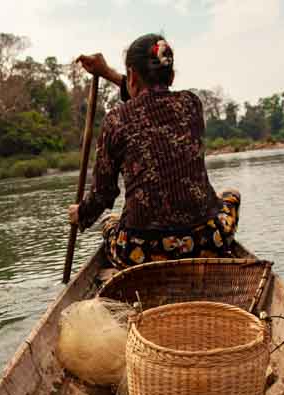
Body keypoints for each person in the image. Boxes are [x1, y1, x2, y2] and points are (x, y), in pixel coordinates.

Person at [69, 34, 240, 269]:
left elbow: (103, 195)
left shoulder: (115, 121)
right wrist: (108, 72)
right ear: (170, 75)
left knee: (109, 222)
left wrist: (81, 215)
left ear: (131, 75)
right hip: (207, 242)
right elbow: (149, 97)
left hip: (141, 253)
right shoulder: (192, 105)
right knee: (231, 196)